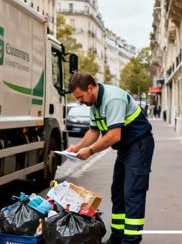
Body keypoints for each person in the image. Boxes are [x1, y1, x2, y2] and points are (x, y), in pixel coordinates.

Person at [66, 73, 154, 244]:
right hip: (125, 149)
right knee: (118, 193)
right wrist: (76, 148)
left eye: (81, 97)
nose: (80, 101)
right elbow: (93, 131)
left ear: (90, 88)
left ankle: (131, 239)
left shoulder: (113, 99)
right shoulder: (94, 104)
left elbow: (114, 136)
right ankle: (118, 236)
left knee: (133, 193)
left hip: (139, 145)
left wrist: (90, 151)